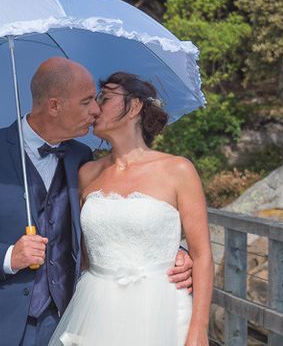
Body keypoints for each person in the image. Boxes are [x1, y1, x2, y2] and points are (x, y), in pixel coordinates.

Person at [0, 58, 194, 346]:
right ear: (54, 106)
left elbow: (111, 219)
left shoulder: (80, 157)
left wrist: (172, 250)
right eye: (86, 102)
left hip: (70, 319)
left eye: (97, 100)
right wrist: (8, 257)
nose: (95, 110)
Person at [49, 72, 213, 346]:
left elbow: (203, 254)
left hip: (161, 307)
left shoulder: (178, 170)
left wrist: (199, 327)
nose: (95, 107)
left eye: (105, 98)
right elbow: (83, 252)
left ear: (134, 106)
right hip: (96, 307)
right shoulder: (86, 173)